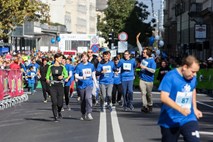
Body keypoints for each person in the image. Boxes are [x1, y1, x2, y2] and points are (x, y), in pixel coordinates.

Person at [158, 55, 203, 142]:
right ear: (185, 67)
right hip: (170, 120)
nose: (195, 75)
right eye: (193, 71)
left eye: (196, 72)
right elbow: (163, 97)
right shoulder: (170, 76)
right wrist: (180, 109)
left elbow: (192, 89)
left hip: (188, 118)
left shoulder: (192, 78)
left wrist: (195, 108)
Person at [75, 52, 98, 120]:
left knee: (88, 98)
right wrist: (82, 78)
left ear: (88, 58)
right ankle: (83, 113)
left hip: (89, 84)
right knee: (83, 100)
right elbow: (76, 75)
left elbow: (93, 75)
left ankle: (89, 113)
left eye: (85, 57)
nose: (84, 58)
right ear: (81, 58)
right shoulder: (79, 66)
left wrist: (96, 83)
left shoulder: (91, 65)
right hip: (81, 85)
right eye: (83, 57)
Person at [46, 53, 68, 122]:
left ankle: (59, 111)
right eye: (60, 58)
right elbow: (47, 76)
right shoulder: (51, 67)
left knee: (60, 103)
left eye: (62, 58)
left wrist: (63, 77)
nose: (61, 59)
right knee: (54, 102)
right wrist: (48, 80)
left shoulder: (62, 67)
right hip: (53, 86)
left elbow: (66, 75)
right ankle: (55, 116)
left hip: (60, 85)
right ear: (56, 58)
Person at [139, 47, 156, 113]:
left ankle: (150, 104)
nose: (143, 53)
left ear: (147, 53)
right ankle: (145, 106)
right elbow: (140, 48)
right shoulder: (143, 59)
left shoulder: (152, 61)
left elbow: (153, 71)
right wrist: (137, 40)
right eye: (143, 52)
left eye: (144, 52)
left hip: (149, 80)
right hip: (142, 79)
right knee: (143, 93)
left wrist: (145, 68)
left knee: (148, 94)